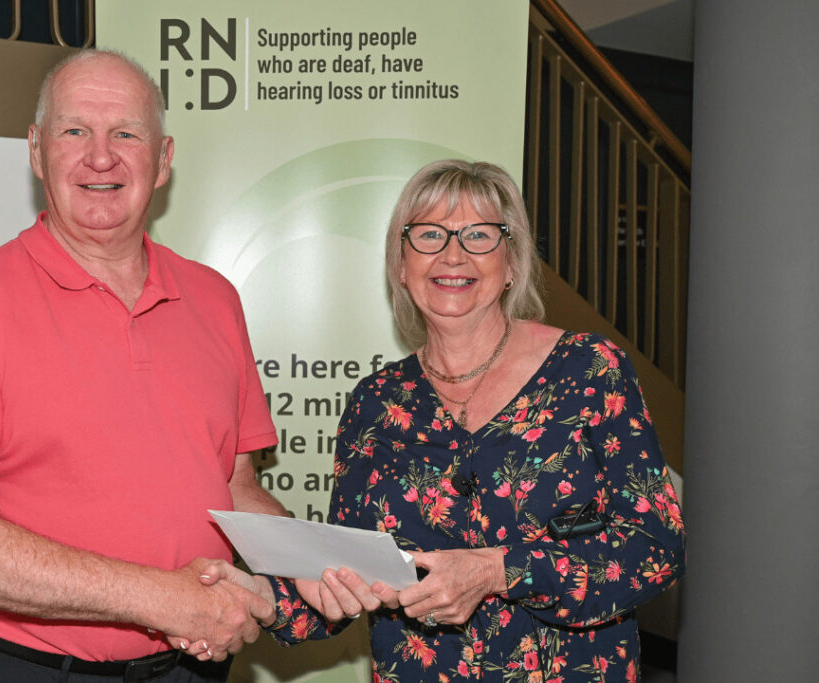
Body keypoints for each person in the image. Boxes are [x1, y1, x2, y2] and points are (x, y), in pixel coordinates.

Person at [205, 159, 686, 681]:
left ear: (512, 263)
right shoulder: (376, 403)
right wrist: (258, 597)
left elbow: (655, 547)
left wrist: (498, 571)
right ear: (400, 265)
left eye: (478, 235)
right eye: (429, 235)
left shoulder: (591, 370)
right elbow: (347, 579)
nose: (452, 254)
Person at [0, 49, 288, 683]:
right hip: (29, 670)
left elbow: (235, 490)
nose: (100, 155)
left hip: (193, 667)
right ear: (36, 150)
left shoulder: (216, 299)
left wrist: (314, 567)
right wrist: (166, 598)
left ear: (162, 161)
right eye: (75, 130)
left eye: (126, 134)